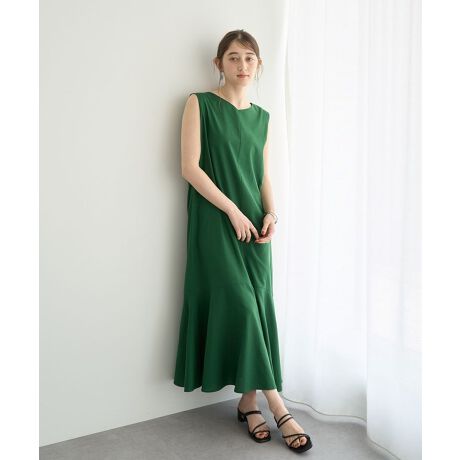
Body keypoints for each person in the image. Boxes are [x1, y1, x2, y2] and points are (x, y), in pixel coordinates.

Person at [173, 29, 312, 453]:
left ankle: (248, 403)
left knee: (257, 306)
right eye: (233, 57)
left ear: (259, 64)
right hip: (216, 221)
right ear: (218, 64)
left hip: (255, 226)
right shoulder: (199, 103)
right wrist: (232, 210)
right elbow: (190, 168)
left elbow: (263, 175)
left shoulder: (262, 117)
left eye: (250, 57)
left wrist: (271, 214)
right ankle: (279, 406)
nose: (242, 65)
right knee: (242, 305)